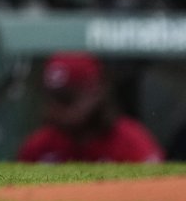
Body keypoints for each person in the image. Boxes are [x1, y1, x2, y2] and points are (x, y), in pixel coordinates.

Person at [17, 53, 163, 163]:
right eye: (51, 98)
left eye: (66, 100)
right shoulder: (38, 147)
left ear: (96, 92)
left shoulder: (131, 143)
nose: (54, 109)